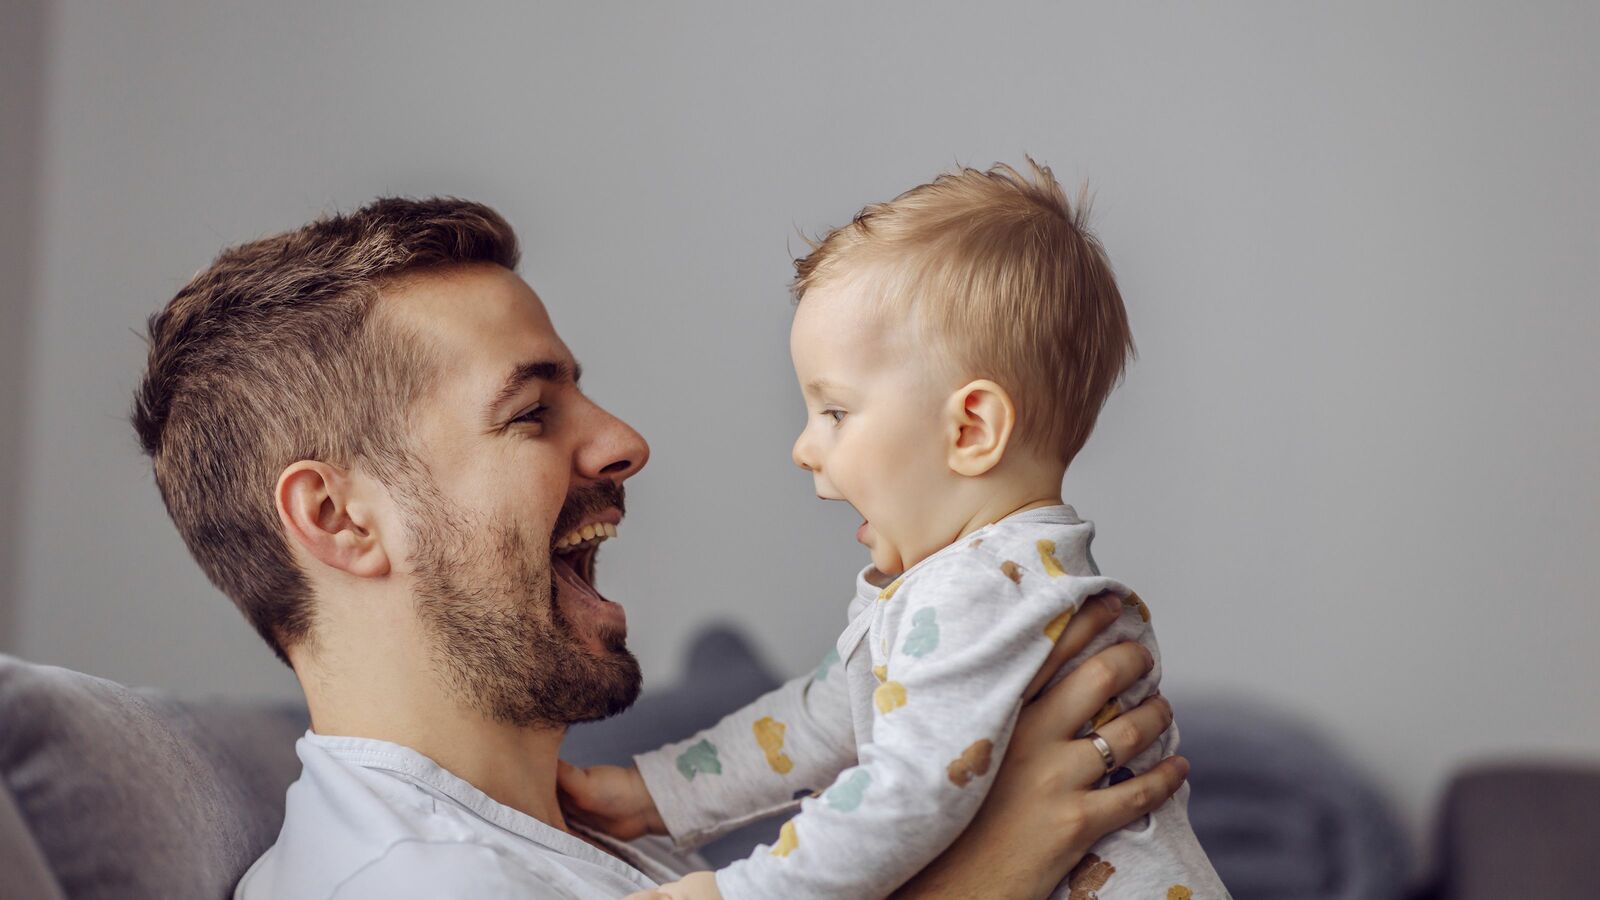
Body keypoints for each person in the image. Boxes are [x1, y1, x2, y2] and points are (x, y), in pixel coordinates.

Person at [130, 197, 1190, 899]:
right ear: (339, 519)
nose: (625, 441)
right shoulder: (404, 880)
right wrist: (980, 874)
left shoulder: (563, 838)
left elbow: (820, 717)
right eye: (531, 414)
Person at [561, 161, 1225, 899]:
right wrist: (654, 795)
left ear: (971, 429)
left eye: (835, 412)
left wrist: (741, 892)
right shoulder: (972, 580)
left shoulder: (981, 590)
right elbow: (819, 720)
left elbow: (904, 797)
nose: (804, 447)